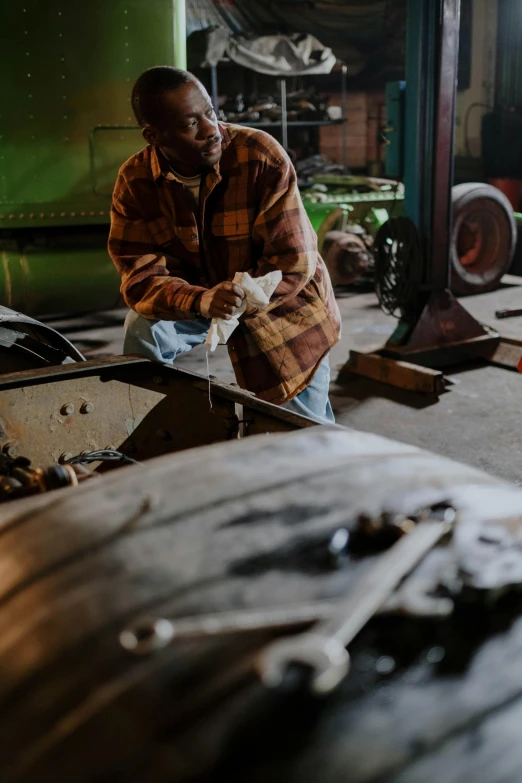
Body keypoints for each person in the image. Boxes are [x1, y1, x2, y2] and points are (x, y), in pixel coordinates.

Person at [108, 66, 341, 423]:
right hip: (202, 301)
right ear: (154, 135)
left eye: (211, 113)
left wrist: (236, 297)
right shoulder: (135, 181)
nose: (211, 130)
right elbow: (140, 278)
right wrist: (201, 300)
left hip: (282, 305)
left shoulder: (260, 156)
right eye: (190, 124)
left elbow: (292, 262)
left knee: (301, 430)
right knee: (143, 329)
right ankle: (144, 425)